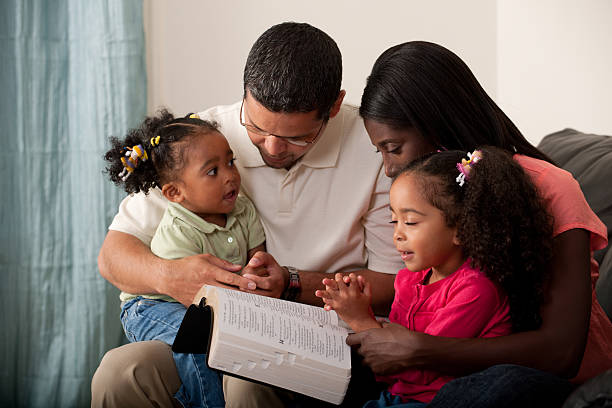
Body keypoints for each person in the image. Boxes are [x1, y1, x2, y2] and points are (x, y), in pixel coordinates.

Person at [91, 22, 404, 408]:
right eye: (256, 127)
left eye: (296, 137)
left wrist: (292, 284)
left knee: (247, 379)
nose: (272, 148)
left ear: (334, 107)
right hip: (228, 327)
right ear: (245, 93)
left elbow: (395, 283)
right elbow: (113, 256)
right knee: (122, 372)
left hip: (320, 335)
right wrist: (173, 276)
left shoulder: (373, 147)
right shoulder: (204, 140)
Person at [350, 41, 611, 407]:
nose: (389, 168)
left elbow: (562, 352)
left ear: (436, 126)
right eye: (380, 152)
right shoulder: (432, 201)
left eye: (394, 148)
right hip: (452, 364)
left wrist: (422, 349)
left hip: (550, 377)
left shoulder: (551, 187)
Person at [317, 147, 556, 406]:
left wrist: (361, 320)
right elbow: (392, 359)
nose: (397, 234)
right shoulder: (410, 279)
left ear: (461, 229)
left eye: (410, 222)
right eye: (393, 221)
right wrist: (358, 311)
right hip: (397, 395)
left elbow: (412, 364)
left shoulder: (476, 289)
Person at [102, 109, 266, 407]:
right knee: (195, 342)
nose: (230, 175)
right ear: (175, 192)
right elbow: (191, 295)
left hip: (202, 305)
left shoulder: (243, 209)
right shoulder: (178, 230)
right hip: (152, 305)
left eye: (230, 162)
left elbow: (259, 257)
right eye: (213, 171)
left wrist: (259, 270)